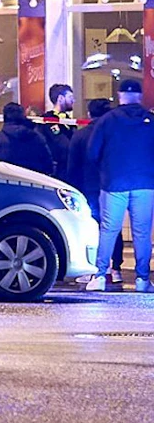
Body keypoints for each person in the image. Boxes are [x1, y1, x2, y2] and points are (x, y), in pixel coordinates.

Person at [86, 79, 154, 293]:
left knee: (109, 229)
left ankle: (99, 275)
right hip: (145, 183)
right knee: (142, 232)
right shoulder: (150, 120)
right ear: (140, 96)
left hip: (114, 182)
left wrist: (106, 168)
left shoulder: (107, 120)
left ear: (120, 95)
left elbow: (92, 152)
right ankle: (142, 279)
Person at [66, 97, 123, 286]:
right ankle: (116, 268)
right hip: (112, 185)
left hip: (88, 188)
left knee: (91, 227)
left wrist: (71, 187)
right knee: (114, 227)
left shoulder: (81, 135)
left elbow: (73, 165)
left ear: (89, 114)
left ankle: (94, 269)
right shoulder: (115, 133)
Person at [0, 102, 55, 175]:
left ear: (5, 118)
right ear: (23, 117)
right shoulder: (37, 138)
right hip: (33, 181)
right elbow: (48, 165)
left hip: (6, 182)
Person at [45, 83, 78, 178]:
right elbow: (61, 143)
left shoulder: (69, 120)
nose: (73, 100)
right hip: (57, 171)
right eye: (70, 97)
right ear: (60, 98)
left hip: (70, 168)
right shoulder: (47, 119)